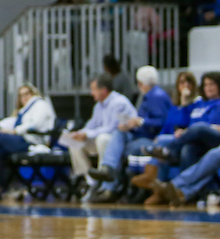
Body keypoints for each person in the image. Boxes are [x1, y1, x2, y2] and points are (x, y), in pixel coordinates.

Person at [89, 65, 172, 202]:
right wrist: (130, 125)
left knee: (116, 148)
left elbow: (163, 122)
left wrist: (140, 122)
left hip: (152, 139)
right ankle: (108, 171)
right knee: (119, 133)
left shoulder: (156, 96)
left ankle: (110, 184)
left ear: (141, 83)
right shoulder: (149, 96)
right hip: (141, 135)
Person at [61, 74, 137, 198]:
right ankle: (91, 181)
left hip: (121, 140)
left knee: (103, 139)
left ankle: (104, 178)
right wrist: (79, 133)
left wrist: (87, 134)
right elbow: (91, 125)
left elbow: (113, 128)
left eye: (94, 89)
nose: (91, 93)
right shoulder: (98, 106)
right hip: (101, 139)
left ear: (104, 90)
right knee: (73, 142)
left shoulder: (119, 102)